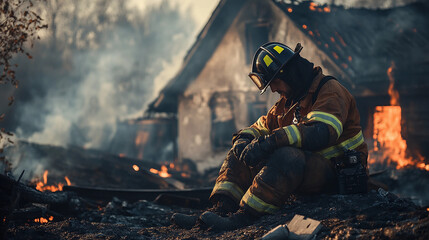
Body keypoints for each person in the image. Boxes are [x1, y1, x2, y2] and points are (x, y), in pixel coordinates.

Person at [171, 42, 368, 231]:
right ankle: (221, 209)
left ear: (289, 73)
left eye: (275, 82)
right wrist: (243, 140)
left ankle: (245, 216)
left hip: (336, 174)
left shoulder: (330, 91)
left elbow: (321, 132)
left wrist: (272, 141)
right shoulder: (288, 102)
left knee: (287, 156)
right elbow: (261, 126)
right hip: (306, 173)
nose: (273, 89)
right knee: (240, 152)